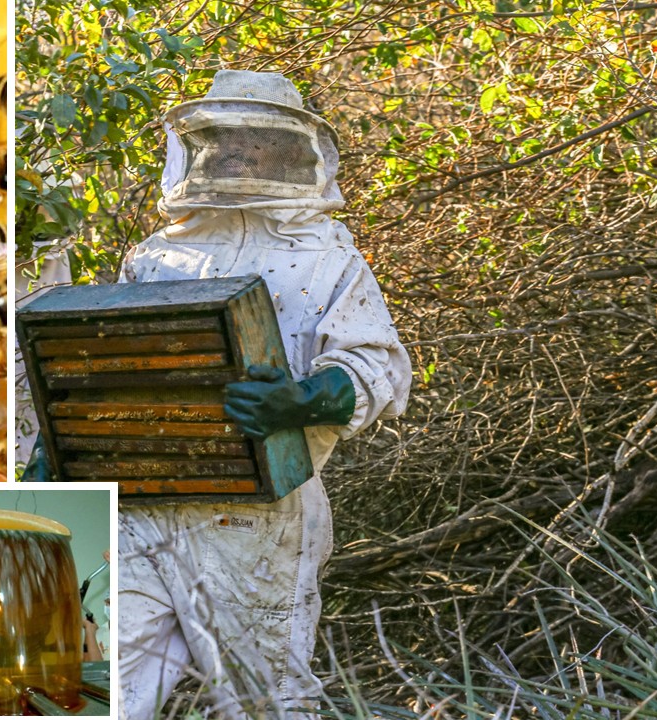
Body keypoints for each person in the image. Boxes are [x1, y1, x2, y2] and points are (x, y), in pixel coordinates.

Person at [28, 70, 411, 719]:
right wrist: (60, 451)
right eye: (218, 136)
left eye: (249, 137)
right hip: (142, 510)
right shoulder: (157, 258)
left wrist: (303, 398)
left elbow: (380, 367)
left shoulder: (328, 257)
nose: (234, 149)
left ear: (285, 148)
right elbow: (111, 371)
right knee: (90, 687)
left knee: (265, 702)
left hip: (260, 523)